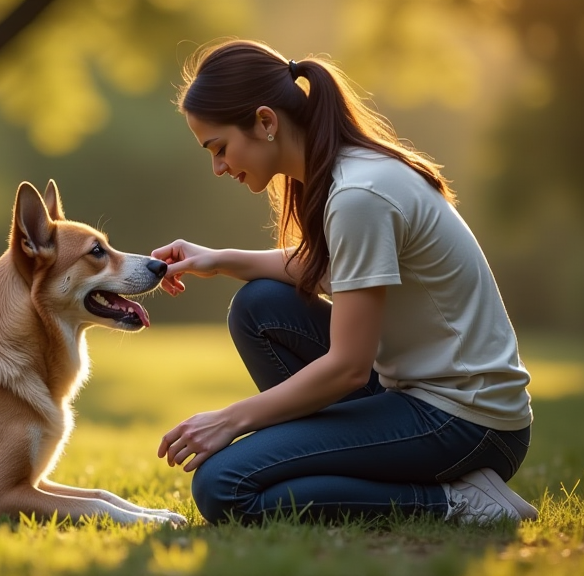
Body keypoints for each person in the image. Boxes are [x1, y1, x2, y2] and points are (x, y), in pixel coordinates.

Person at [151, 39, 537, 525]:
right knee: (258, 307)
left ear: (266, 122)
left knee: (223, 486)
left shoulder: (358, 195)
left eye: (220, 148)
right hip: (419, 400)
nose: (219, 167)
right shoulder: (345, 174)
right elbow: (333, 269)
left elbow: (348, 369)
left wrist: (230, 420)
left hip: (467, 423)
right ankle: (325, 463)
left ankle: (454, 501)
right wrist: (220, 259)